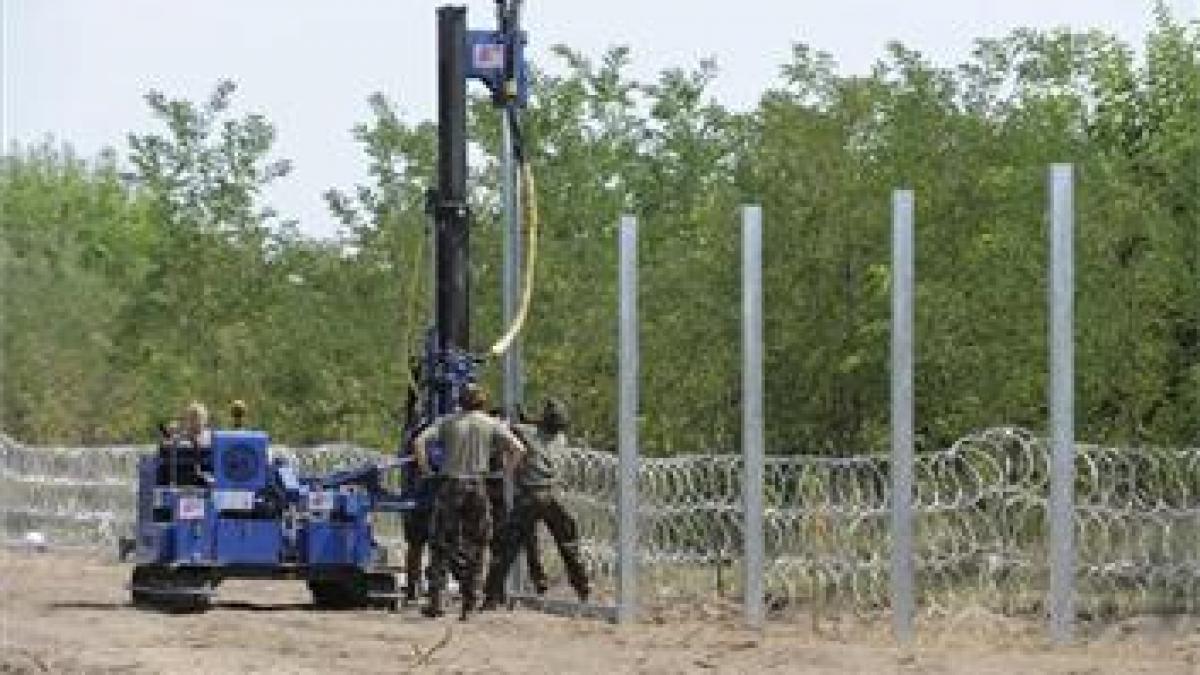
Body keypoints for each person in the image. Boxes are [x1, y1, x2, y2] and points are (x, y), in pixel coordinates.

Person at [412, 383, 525, 621]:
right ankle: (470, 604)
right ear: (482, 402)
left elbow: (419, 442)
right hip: (478, 486)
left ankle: (436, 601)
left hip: (451, 484)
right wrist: (506, 472)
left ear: (460, 401)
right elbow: (519, 449)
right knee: (478, 544)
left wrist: (426, 470)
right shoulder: (490, 424)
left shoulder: (447, 422)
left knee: (441, 543)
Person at [482, 398, 589, 610]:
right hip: (554, 496)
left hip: (530, 496)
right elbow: (537, 426)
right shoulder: (560, 439)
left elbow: (508, 430)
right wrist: (529, 418)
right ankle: (582, 588)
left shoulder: (527, 433)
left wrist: (503, 416)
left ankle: (491, 597)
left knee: (506, 547)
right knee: (568, 544)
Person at [486, 407, 549, 599]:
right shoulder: (493, 442)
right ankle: (501, 589)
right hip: (500, 498)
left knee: (527, 539)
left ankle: (537, 580)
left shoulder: (524, 442)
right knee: (504, 542)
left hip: (520, 497)